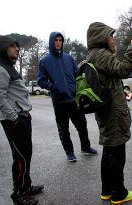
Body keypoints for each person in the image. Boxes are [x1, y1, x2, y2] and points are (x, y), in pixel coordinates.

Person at [86, 22, 132, 204]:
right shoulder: (101, 54)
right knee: (117, 153)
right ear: (101, 38)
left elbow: (107, 81)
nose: (113, 39)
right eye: (111, 35)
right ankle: (119, 193)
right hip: (113, 114)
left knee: (109, 151)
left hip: (105, 111)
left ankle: (107, 191)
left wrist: (121, 91)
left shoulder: (92, 56)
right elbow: (123, 69)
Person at [0, 35, 44, 205]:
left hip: (22, 117)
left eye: (17, 46)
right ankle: (18, 194)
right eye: (12, 46)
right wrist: (15, 119)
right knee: (20, 158)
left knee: (26, 155)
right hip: (14, 120)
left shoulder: (9, 67)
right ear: (2, 48)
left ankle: (26, 186)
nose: (17, 49)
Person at [37, 32, 98, 162]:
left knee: (82, 125)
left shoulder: (68, 58)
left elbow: (77, 74)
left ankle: (86, 147)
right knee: (64, 130)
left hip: (74, 99)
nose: (58, 42)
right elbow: (41, 81)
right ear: (51, 42)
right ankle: (69, 152)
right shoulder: (44, 61)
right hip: (59, 102)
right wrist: (54, 87)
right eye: (56, 40)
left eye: (60, 40)